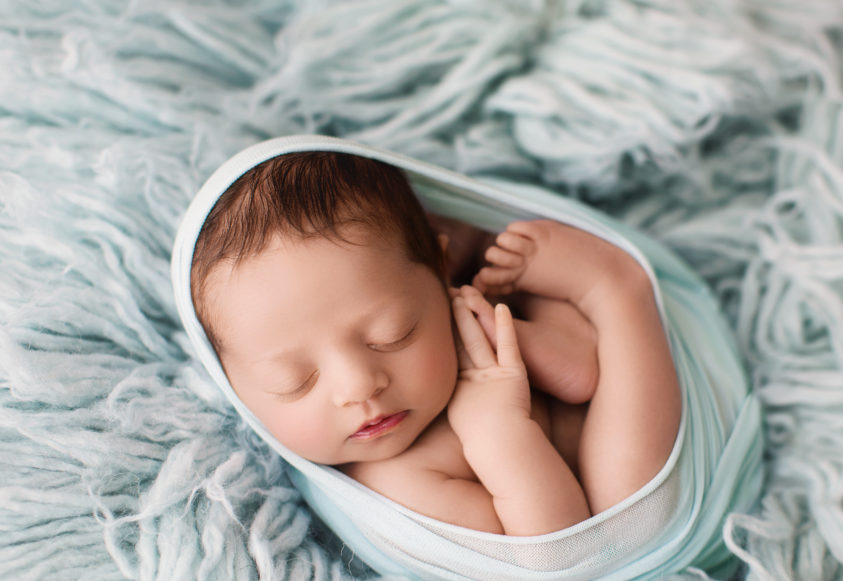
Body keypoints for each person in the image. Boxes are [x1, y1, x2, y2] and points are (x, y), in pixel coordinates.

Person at [190, 151, 681, 536]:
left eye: (393, 333)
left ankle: (596, 289)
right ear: (234, 387)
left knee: (516, 294)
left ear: (440, 271)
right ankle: (616, 290)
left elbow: (583, 376)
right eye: (294, 381)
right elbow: (560, 546)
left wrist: (516, 338)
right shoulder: (397, 481)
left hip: (600, 386)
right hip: (621, 511)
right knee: (625, 504)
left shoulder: (461, 318)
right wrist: (498, 430)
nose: (359, 384)